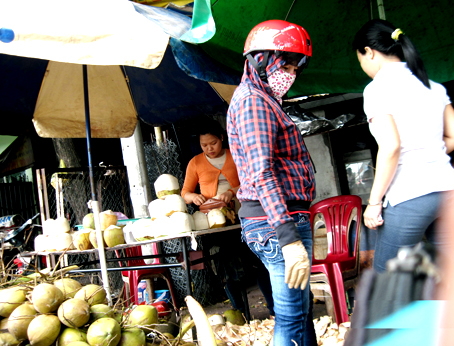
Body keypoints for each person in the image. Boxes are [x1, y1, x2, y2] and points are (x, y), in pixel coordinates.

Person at [227, 20, 317, 345]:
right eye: (286, 64)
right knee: (292, 316)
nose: (290, 73)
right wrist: (289, 237)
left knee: (301, 314)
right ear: (262, 59)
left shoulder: (264, 99)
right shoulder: (253, 101)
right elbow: (261, 172)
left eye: (295, 67)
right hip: (276, 224)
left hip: (281, 221)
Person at [352, 19, 454, 273]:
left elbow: (391, 147)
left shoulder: (377, 90)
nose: (363, 67)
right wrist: (427, 148)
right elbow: (452, 137)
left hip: (410, 193)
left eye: (361, 59)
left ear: (370, 52)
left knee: (386, 277)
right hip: (447, 189)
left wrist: (374, 203)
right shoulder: (434, 87)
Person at [181, 119, 275, 317]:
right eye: (204, 145)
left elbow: (251, 181)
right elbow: (185, 193)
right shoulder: (195, 162)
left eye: (213, 143)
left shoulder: (236, 155)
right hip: (215, 223)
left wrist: (232, 192)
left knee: (258, 262)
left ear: (222, 138)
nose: (209, 148)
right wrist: (194, 197)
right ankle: (239, 312)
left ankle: (274, 308)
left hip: (246, 217)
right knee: (227, 268)